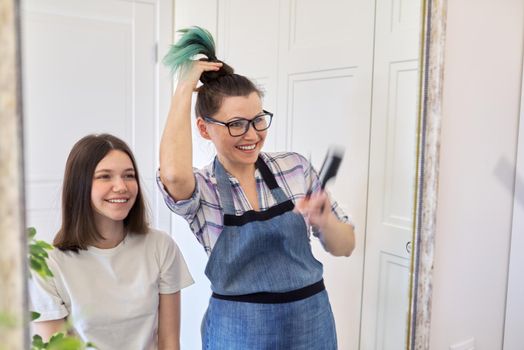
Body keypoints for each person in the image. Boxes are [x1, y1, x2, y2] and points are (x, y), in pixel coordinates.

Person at [158, 27, 355, 349]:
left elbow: (344, 246)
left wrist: (325, 221)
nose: (251, 135)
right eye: (236, 124)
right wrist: (185, 87)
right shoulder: (203, 188)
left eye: (258, 119)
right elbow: (174, 176)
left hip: (311, 321)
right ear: (204, 129)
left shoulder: (294, 167)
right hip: (238, 328)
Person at [30, 133, 194, 350]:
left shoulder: (160, 246)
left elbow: (169, 342)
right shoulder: (49, 265)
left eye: (129, 175)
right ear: (80, 185)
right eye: (105, 176)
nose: (121, 186)